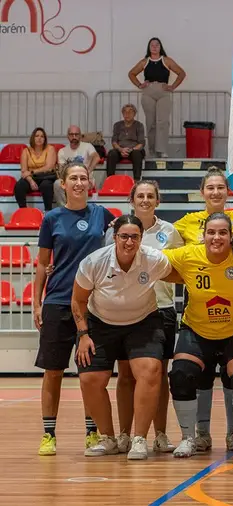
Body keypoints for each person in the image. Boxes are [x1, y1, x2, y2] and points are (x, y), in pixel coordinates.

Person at [164, 213, 233, 458]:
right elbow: (152, 260)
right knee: (181, 374)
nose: (216, 237)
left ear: (231, 235)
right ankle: (189, 437)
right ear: (203, 237)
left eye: (222, 232)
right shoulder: (188, 255)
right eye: (211, 232)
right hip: (197, 329)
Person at [72, 215, 177, 459]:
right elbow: (78, 300)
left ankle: (139, 438)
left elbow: (180, 275)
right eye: (124, 236)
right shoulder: (94, 262)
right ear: (115, 237)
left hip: (143, 322)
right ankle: (109, 438)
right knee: (89, 377)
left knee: (151, 370)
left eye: (135, 237)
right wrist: (83, 335)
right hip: (100, 324)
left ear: (141, 238)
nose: (129, 242)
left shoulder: (153, 259)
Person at [33, 162, 117, 456]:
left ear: (90, 182)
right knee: (53, 371)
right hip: (58, 302)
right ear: (63, 184)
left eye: (83, 178)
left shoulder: (102, 214)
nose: (79, 183)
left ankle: (92, 434)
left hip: (93, 305)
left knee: (90, 376)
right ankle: (48, 434)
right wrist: (37, 302)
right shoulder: (52, 218)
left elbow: (124, 241)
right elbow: (43, 263)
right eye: (73, 178)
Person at [173, 168, 233, 452]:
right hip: (198, 312)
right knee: (192, 373)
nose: (216, 192)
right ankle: (198, 434)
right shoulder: (184, 224)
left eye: (221, 187)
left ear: (227, 192)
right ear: (202, 191)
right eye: (210, 187)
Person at [111, 180, 184, 455]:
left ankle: (161, 434)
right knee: (126, 375)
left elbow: (178, 267)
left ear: (157, 201)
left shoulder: (169, 231)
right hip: (126, 310)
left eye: (150, 196)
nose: (145, 200)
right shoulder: (119, 230)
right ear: (132, 200)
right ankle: (124, 435)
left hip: (161, 308)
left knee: (158, 376)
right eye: (140, 195)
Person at [127, 37, 186, 157]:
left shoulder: (167, 60)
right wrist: (140, 84)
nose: (154, 47)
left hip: (163, 92)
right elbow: (131, 73)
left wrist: (172, 86)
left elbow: (181, 73)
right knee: (151, 122)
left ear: (160, 47)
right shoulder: (144, 62)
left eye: (157, 45)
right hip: (148, 92)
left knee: (163, 121)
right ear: (149, 47)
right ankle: (152, 150)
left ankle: (162, 149)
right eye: (152, 45)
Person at [54, 125, 99, 205]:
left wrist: (88, 172)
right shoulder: (62, 151)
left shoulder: (88, 146)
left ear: (80, 135)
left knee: (80, 183)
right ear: (68, 136)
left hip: (85, 178)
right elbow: (61, 170)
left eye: (76, 134)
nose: (74, 137)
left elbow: (96, 158)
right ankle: (64, 210)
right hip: (70, 179)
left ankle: (80, 209)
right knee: (57, 183)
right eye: (71, 134)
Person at [15, 127, 57, 211]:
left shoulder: (50, 149)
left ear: (45, 139)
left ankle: (48, 212)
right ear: (33, 138)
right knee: (19, 186)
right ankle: (23, 211)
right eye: (37, 136)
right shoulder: (26, 151)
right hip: (32, 178)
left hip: (46, 176)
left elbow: (49, 167)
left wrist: (31, 172)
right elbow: (24, 171)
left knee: (46, 186)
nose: (39, 138)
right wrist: (30, 181)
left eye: (42, 136)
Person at [107, 104, 146, 180]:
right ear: (122, 114)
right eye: (125, 112)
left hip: (134, 150)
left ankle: (136, 181)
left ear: (134, 114)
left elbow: (141, 143)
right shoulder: (117, 125)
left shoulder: (139, 125)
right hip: (120, 149)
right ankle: (110, 180)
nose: (127, 114)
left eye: (130, 112)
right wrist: (121, 149)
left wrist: (131, 150)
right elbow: (114, 141)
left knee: (137, 154)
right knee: (111, 153)